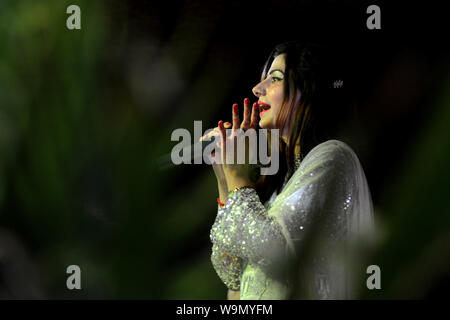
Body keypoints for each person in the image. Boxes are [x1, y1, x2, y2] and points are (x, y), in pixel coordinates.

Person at [202, 41, 374, 300]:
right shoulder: (277, 188)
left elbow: (278, 259)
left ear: (308, 90)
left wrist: (238, 179)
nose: (257, 89)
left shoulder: (332, 157)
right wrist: (225, 178)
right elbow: (233, 275)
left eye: (275, 79)